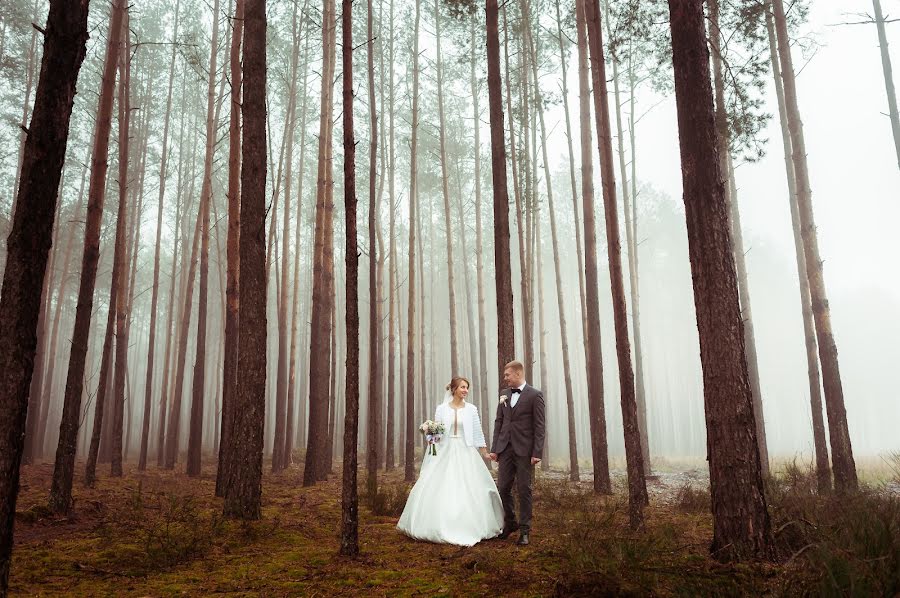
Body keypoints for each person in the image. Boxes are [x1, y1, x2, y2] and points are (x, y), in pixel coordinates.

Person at [397, 377, 504, 546]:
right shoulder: (441, 409)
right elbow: (438, 433)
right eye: (462, 387)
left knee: (471, 486)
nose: (465, 390)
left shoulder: (471, 410)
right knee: (439, 484)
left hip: (465, 450)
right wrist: (430, 435)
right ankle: (436, 523)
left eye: (467, 388)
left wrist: (485, 453)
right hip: (445, 450)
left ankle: (470, 524)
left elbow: (477, 432)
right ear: (453, 389)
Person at [488, 360, 546, 546]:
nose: (505, 378)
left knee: (524, 489)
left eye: (507, 375)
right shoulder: (504, 395)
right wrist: (495, 448)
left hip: (524, 450)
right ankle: (510, 522)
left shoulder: (535, 395)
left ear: (518, 374)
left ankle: (525, 530)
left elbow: (540, 425)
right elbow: (499, 422)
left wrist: (537, 451)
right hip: (505, 448)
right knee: (503, 487)